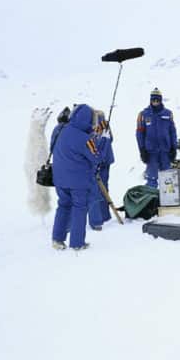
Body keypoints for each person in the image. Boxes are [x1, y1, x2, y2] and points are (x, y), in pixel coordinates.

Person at [51, 104, 100, 250]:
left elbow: (52, 149)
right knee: (79, 208)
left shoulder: (60, 130)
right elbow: (96, 157)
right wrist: (100, 140)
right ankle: (77, 243)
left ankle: (57, 239)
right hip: (79, 181)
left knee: (63, 206)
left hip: (59, 179)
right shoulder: (85, 139)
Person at [136, 88, 178, 188]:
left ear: (160, 100)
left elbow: (172, 132)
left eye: (157, 100)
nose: (155, 102)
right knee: (151, 178)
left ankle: (168, 200)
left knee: (167, 179)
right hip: (151, 152)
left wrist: (174, 148)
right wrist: (142, 150)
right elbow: (139, 134)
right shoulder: (143, 115)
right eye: (153, 100)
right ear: (150, 100)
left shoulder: (168, 114)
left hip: (165, 151)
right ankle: (152, 200)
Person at [88, 110, 115, 230]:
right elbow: (111, 139)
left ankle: (101, 216)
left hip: (100, 161)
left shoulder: (95, 127)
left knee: (98, 190)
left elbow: (96, 144)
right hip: (106, 160)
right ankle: (105, 215)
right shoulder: (106, 125)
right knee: (104, 188)